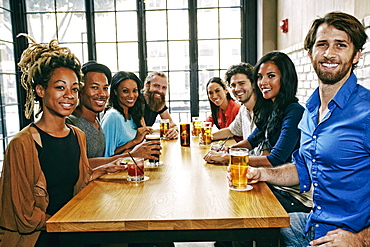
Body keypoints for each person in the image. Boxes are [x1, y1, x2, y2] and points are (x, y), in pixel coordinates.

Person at [246, 12, 370, 246]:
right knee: (256, 225)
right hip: (314, 224)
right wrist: (262, 174)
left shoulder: (366, 112)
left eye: (340, 45)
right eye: (322, 44)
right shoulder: (310, 111)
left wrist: (360, 239)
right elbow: (302, 170)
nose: (329, 53)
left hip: (347, 237)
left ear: (356, 55)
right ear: (310, 53)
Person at [0, 34, 126, 246]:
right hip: (40, 236)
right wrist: (67, 225)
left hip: (70, 228)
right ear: (40, 90)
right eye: (60, 87)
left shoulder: (78, 136)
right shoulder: (22, 144)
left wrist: (105, 168)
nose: (69, 95)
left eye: (74, 89)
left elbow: (75, 184)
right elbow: (23, 216)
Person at [206, 51, 313, 213]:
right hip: (272, 182)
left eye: (271, 76)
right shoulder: (272, 108)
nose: (263, 82)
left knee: (238, 204)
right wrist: (227, 150)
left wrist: (226, 158)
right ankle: (227, 239)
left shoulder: (294, 111)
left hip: (293, 193)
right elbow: (251, 140)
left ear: (285, 78)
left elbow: (275, 159)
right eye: (260, 77)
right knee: (228, 195)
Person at [66, 61, 161, 168]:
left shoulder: (95, 120)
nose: (102, 94)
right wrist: (132, 155)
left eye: (105, 88)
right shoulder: (70, 124)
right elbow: (79, 166)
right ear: (79, 89)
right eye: (94, 87)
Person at [101, 71, 152, 157]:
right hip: (119, 169)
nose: (131, 96)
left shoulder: (132, 114)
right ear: (115, 91)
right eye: (125, 91)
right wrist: (134, 141)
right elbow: (107, 155)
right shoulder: (113, 116)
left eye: (135, 91)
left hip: (133, 165)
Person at [209, 62, 257, 142]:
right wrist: (208, 137)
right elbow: (231, 131)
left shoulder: (266, 111)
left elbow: (267, 152)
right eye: (233, 85)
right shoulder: (243, 110)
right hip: (246, 154)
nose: (237, 89)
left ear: (253, 84)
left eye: (241, 83)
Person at [203, 77, 242, 141]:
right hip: (227, 146)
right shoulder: (218, 110)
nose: (214, 96)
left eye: (217, 91)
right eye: (210, 93)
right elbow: (206, 124)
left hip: (240, 148)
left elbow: (231, 132)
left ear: (226, 90)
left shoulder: (237, 109)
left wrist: (209, 136)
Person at [143, 71, 178, 139]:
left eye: (164, 87)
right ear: (147, 85)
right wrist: (159, 131)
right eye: (156, 86)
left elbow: (172, 124)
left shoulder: (157, 100)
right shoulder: (137, 100)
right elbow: (142, 131)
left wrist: (174, 131)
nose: (160, 91)